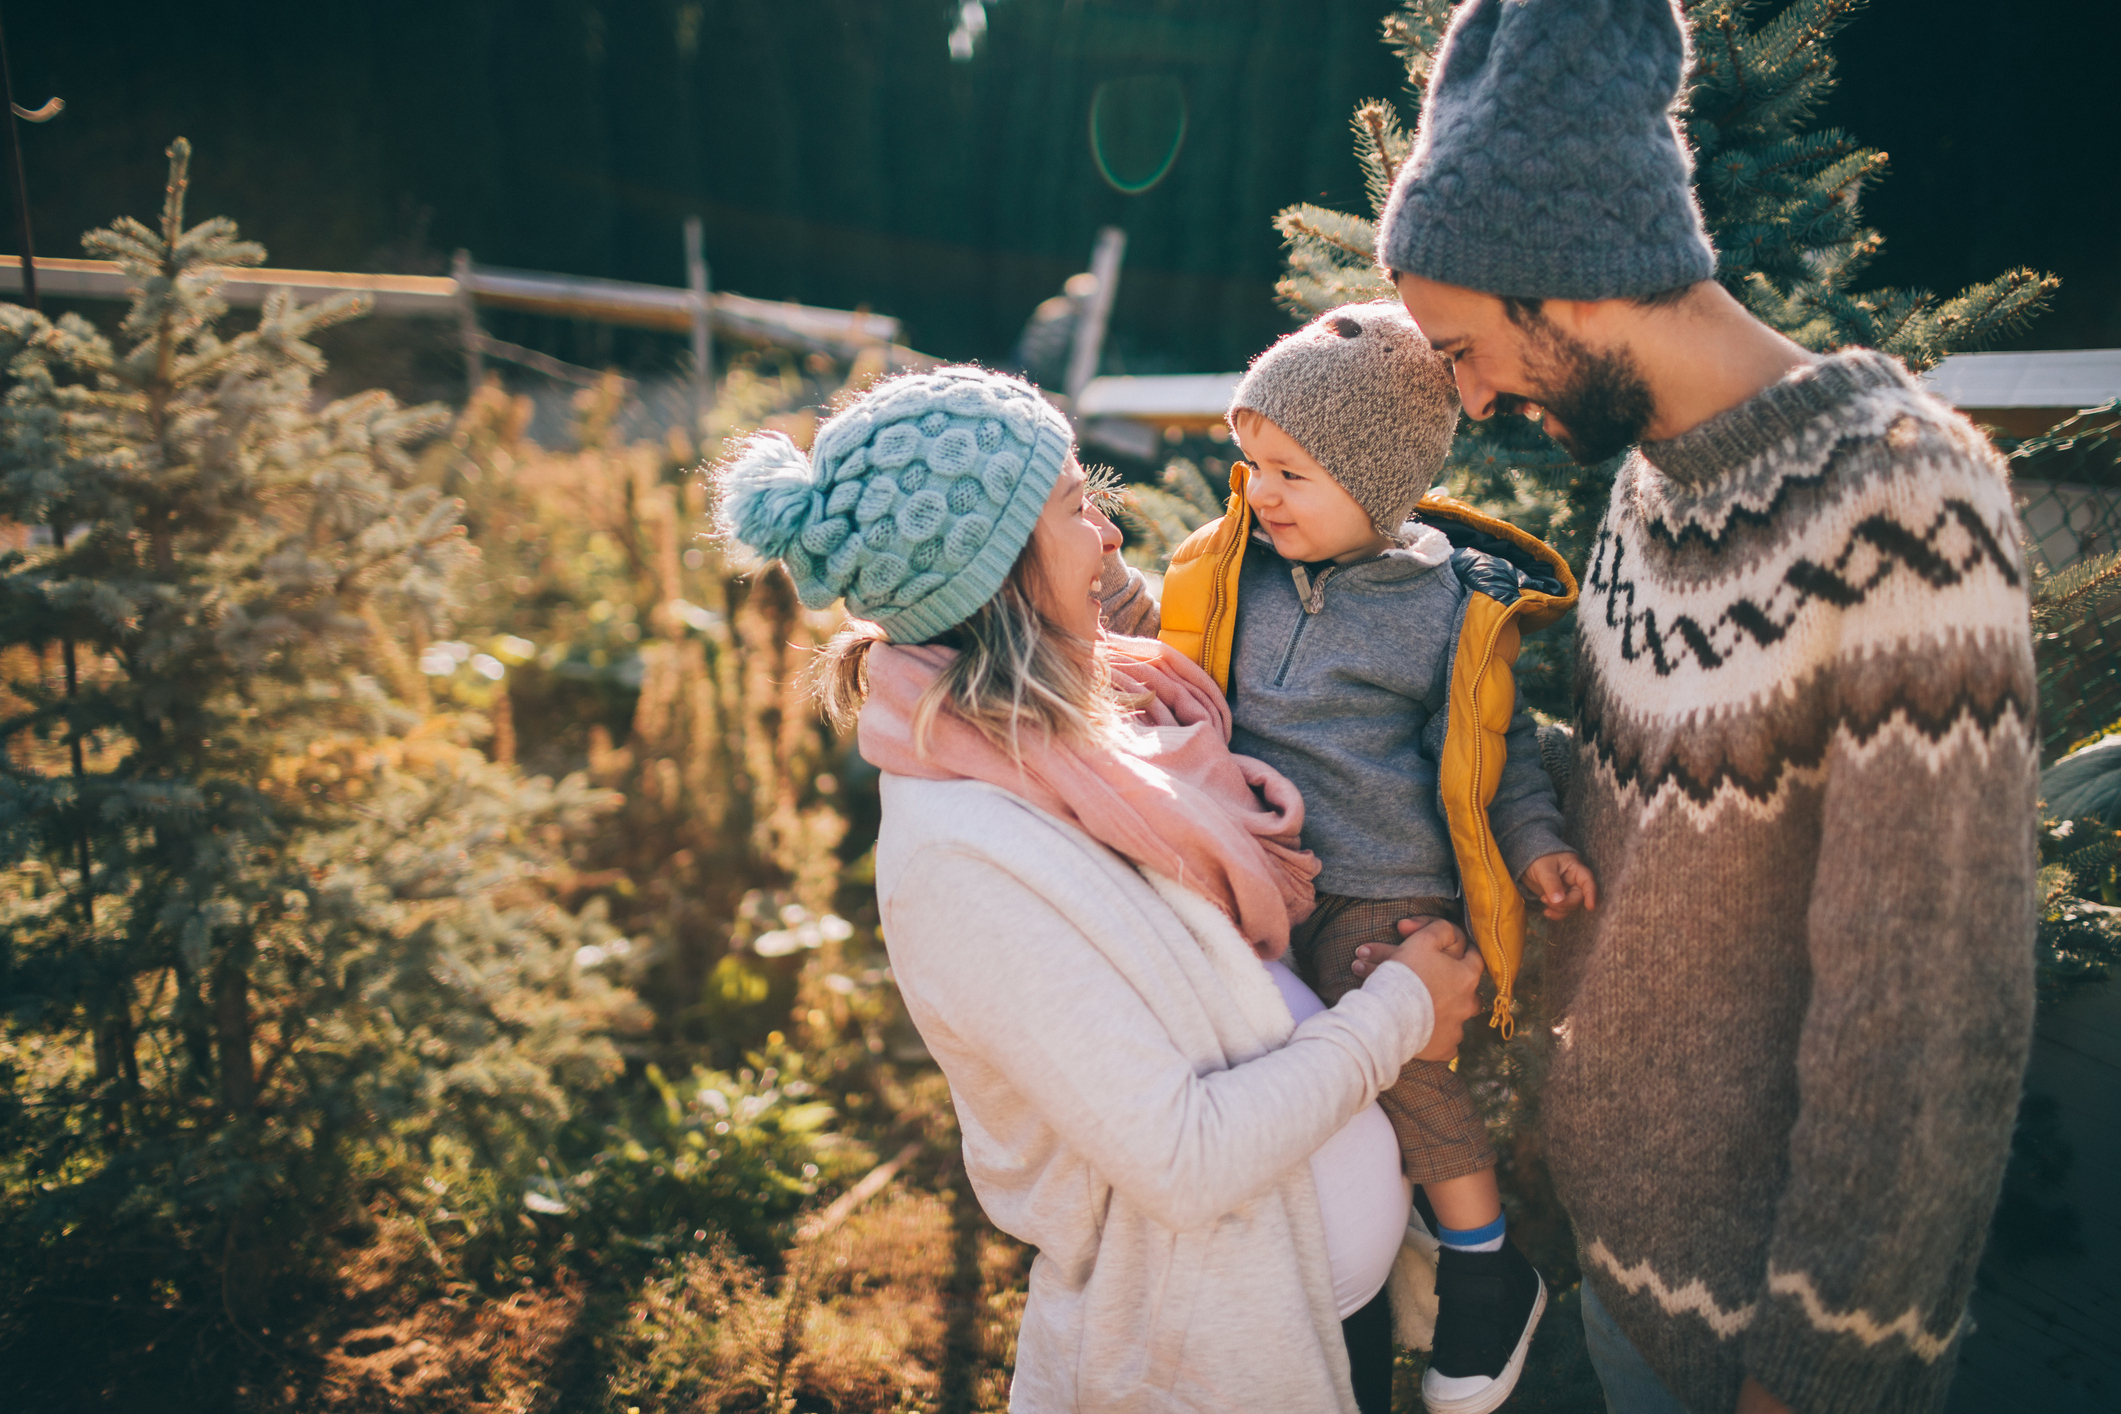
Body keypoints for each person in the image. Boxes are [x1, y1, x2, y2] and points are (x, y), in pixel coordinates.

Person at [1374, 2, 2041, 1412]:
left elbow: (1929, 1005)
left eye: (1463, 347)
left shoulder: (1907, 498)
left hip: (1768, 1343)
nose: (1473, 398)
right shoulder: (1644, 487)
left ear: (1562, 282)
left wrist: (1816, 1368)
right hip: (1628, 1275)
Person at [716, 365, 1488, 1413]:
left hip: (1309, 1313)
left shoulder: (1087, 731)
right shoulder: (963, 856)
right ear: (992, 570)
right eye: (1078, 507)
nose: (1110, 535)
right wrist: (1401, 1011)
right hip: (1203, 1364)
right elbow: (1185, 1157)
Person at [1101, 299, 1596, 1414]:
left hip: (1389, 889)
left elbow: (1495, 753)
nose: (1258, 491)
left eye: (1290, 473)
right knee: (1298, 1075)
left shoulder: (1443, 612)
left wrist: (1538, 843)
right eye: (1250, 461)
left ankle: (1483, 1263)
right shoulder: (1240, 570)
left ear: (1377, 485)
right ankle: (1383, 1242)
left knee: (1404, 1052)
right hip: (1267, 879)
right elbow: (1168, 656)